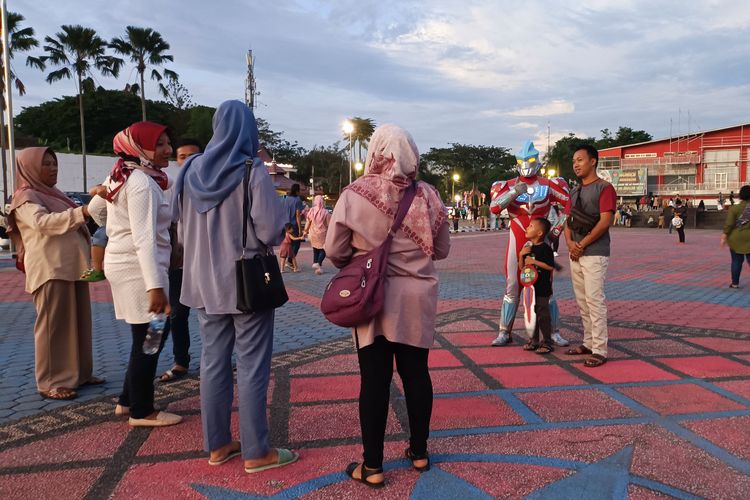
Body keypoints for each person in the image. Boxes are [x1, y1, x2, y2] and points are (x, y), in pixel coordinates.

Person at [174, 100, 297, 472]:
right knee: (252, 365)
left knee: (212, 362)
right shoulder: (251, 169)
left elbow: (178, 226)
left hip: (201, 282)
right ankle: (257, 451)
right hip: (245, 284)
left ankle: (218, 445)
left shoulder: (191, 169)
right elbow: (271, 230)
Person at [326, 124, 450, 488]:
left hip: (372, 298)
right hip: (417, 299)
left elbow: (334, 250)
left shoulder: (355, 194)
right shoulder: (428, 195)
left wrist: (362, 256)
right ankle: (420, 451)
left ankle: (373, 466)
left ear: (377, 151)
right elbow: (441, 250)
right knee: (417, 376)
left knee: (375, 381)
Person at [88, 122, 181, 427]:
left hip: (127, 263)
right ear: (140, 148)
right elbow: (144, 238)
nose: (168, 149)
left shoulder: (120, 173)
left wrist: (115, 228)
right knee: (152, 336)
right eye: (160, 144)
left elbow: (95, 209)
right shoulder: (141, 183)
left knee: (146, 335)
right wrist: (155, 287)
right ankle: (142, 410)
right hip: (141, 269)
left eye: (168, 142)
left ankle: (128, 400)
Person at [6, 147, 102, 400]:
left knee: (79, 323)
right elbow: (42, 224)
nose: (53, 168)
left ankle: (79, 374)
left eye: (54, 163)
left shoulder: (52, 194)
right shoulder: (25, 198)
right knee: (53, 328)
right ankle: (51, 381)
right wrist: (81, 212)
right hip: (50, 270)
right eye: (46, 164)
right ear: (30, 168)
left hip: (72, 268)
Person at [489, 141, 571, 347]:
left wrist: (556, 231)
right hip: (517, 239)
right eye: (522, 160)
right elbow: (495, 208)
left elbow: (570, 205)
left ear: (538, 161)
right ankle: (504, 331)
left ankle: (553, 332)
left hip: (543, 242)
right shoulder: (505, 185)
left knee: (546, 287)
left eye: (530, 160)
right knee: (512, 285)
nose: (526, 164)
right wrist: (514, 192)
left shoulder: (550, 184)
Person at [564, 144, 617, 368]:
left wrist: (581, 244)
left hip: (595, 253)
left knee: (595, 300)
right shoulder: (574, 191)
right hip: (576, 252)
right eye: (574, 161)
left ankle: (600, 349)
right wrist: (570, 244)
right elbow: (567, 221)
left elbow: (606, 221)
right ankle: (588, 342)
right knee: (582, 300)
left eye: (580, 160)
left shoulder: (604, 188)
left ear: (593, 161)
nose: (576, 164)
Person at [159, 138, 202, 383]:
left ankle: (218, 359)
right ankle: (179, 362)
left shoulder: (214, 183)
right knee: (172, 315)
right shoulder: (166, 185)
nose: (188, 161)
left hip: (204, 263)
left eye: (193, 155)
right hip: (174, 264)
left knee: (215, 314)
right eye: (182, 156)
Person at [519, 218, 556, 354]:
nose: (527, 228)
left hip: (542, 288)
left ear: (540, 233)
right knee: (531, 315)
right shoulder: (527, 248)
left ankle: (547, 342)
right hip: (530, 288)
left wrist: (535, 261)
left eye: (531, 226)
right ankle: (533, 340)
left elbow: (550, 267)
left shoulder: (545, 249)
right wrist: (521, 255)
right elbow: (522, 268)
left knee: (543, 315)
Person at [721, 185, 750, 288]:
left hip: (736, 238)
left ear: (740, 195)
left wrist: (724, 236)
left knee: (736, 261)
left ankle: (735, 283)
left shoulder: (735, 208)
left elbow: (729, 224)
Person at [303, 194, 330, 275]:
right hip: (322, 233)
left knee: (315, 249)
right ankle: (318, 263)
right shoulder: (325, 212)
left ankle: (316, 265)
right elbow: (328, 224)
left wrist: (305, 231)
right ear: (322, 201)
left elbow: (308, 222)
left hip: (313, 233)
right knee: (324, 249)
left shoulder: (311, 211)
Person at [281, 183, 305, 260]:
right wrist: (300, 229)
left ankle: (284, 259)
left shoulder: (286, 199)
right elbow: (298, 215)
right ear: (297, 191)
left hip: (285, 224)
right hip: (293, 225)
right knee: (296, 243)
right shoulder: (297, 200)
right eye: (300, 190)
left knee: (287, 243)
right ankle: (290, 260)